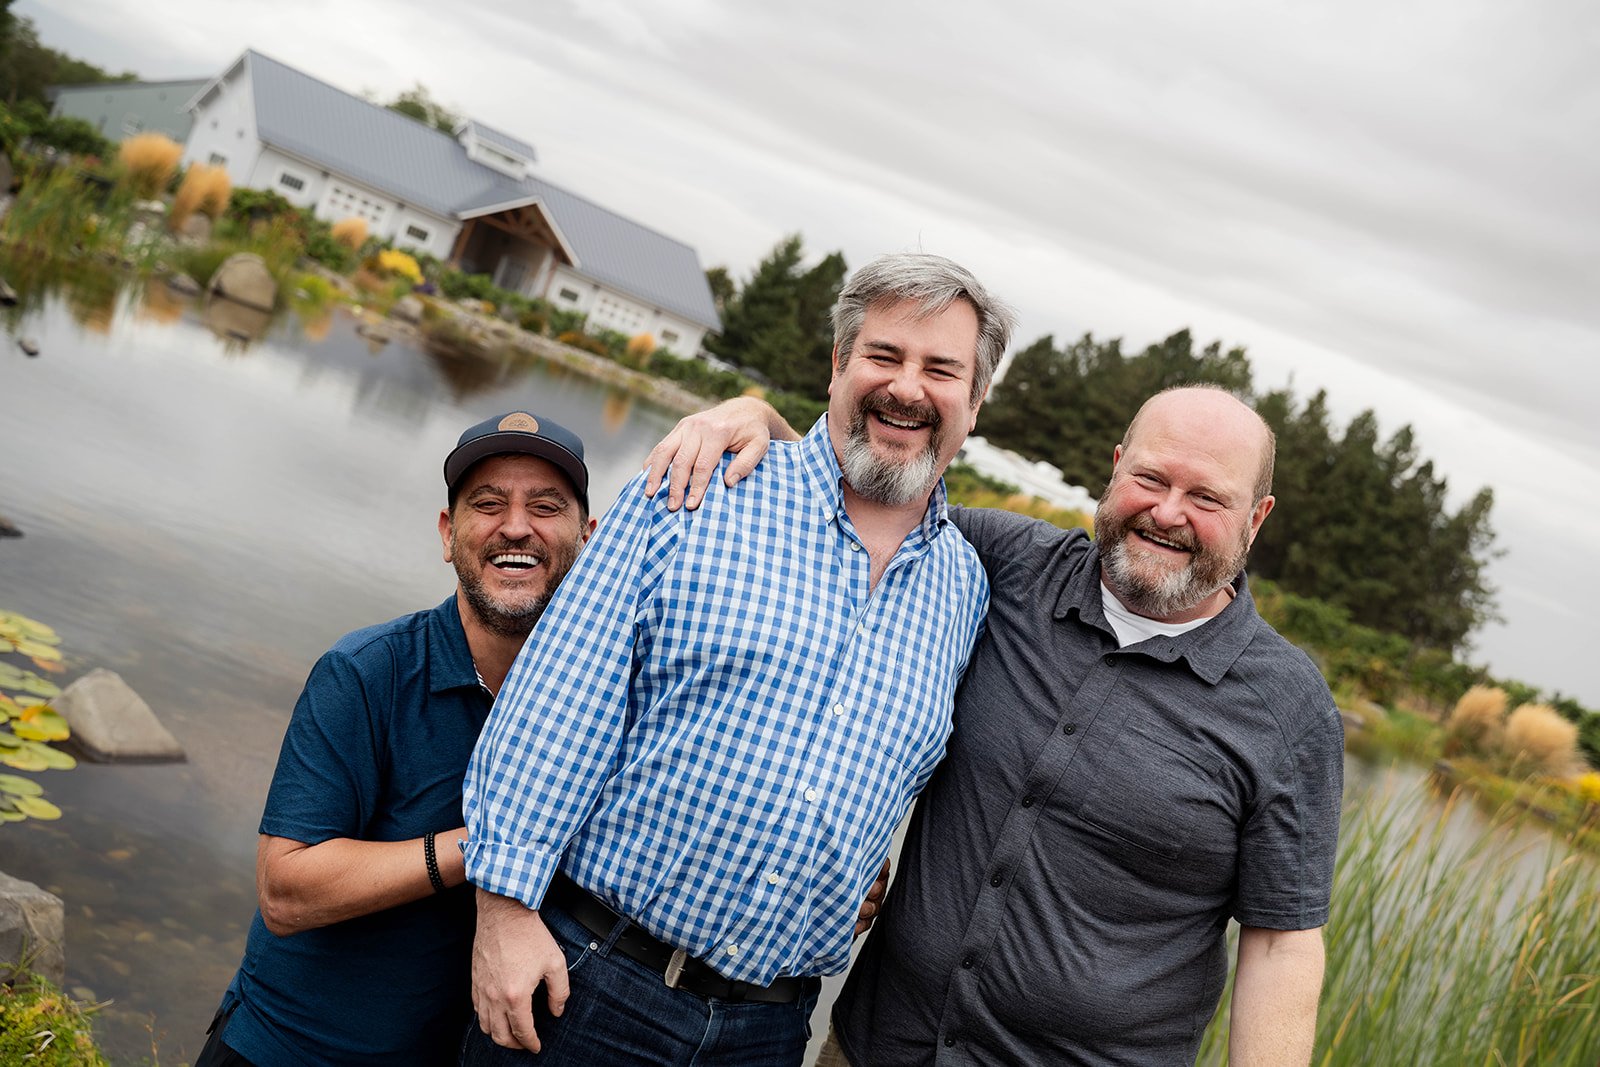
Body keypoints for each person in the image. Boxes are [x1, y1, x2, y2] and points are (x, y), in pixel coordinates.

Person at [651, 384, 1344, 1066]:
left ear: (1256, 518)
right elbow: (858, 499)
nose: (1167, 512)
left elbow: (1280, 945)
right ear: (1115, 467)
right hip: (872, 1048)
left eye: (1206, 498)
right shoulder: (1009, 564)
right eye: (1151, 478)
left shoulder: (1289, 708)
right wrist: (754, 417)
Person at [460, 253, 1018, 1066]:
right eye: (884, 355)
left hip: (769, 1027)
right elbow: (556, 703)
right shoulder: (697, 489)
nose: (908, 388)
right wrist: (504, 911)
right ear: (838, 364)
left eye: (941, 369)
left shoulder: (964, 589)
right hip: (589, 982)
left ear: (976, 399)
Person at [196, 412, 597, 1067]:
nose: (515, 526)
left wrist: (755, 415)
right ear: (448, 534)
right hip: (288, 1052)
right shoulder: (366, 672)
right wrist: (492, 847)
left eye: (546, 507)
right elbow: (285, 891)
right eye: (487, 504)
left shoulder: (600, 698)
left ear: (589, 537)